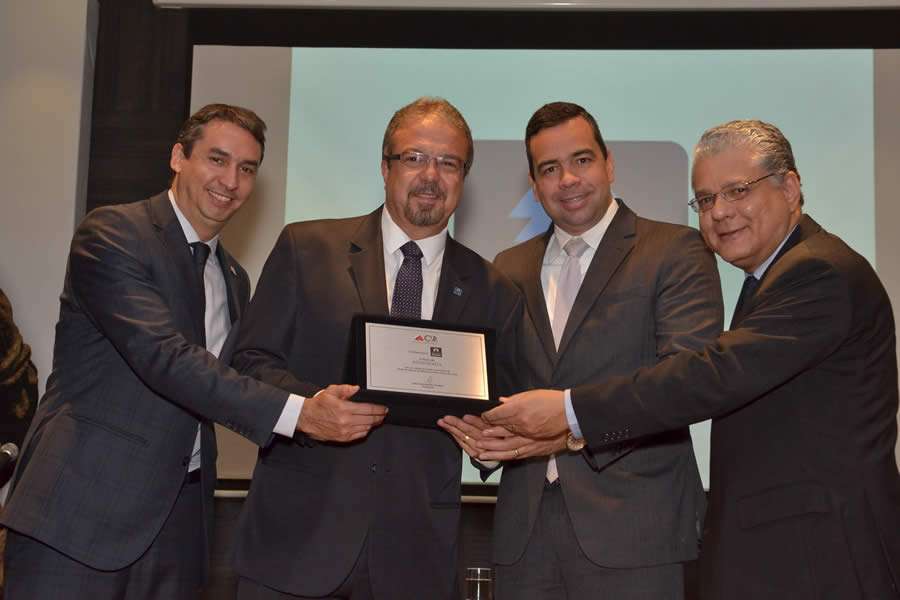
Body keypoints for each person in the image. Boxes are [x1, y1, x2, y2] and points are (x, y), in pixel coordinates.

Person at [478, 119, 900, 599]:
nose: (720, 212)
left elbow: (707, 375)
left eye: (737, 191)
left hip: (820, 555)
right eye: (705, 200)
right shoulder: (771, 278)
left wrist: (570, 413)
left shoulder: (818, 272)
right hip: (781, 549)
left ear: (790, 187)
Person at [1, 104, 375, 600]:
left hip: (178, 527)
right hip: (80, 513)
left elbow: (242, 377)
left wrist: (331, 398)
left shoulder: (234, 278)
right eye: (217, 160)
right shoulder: (114, 234)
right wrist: (301, 414)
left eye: (247, 169)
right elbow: (166, 358)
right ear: (178, 157)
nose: (230, 180)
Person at [230, 97, 521, 600]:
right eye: (414, 157)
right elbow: (249, 361)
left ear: (464, 177)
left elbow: (502, 410)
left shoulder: (494, 289)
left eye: (448, 162)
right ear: (385, 166)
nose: (431, 175)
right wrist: (306, 411)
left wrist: (492, 445)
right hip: (297, 541)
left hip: (414, 557)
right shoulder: (307, 248)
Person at [439, 101, 723, 599]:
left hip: (636, 532)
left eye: (582, 160)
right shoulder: (508, 266)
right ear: (534, 183)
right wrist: (481, 433)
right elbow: (495, 384)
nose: (567, 179)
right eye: (549, 168)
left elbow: (685, 383)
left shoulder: (675, 250)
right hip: (523, 536)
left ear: (609, 163)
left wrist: (569, 426)